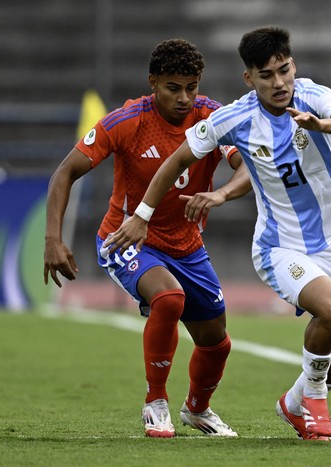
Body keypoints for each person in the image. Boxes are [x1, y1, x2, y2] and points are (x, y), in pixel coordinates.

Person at [104, 26, 331, 441]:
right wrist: (142, 214)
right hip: (280, 247)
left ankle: (294, 402)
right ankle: (314, 401)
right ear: (250, 79)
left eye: (284, 70)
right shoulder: (233, 118)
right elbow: (175, 161)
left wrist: (323, 125)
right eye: (267, 75)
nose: (279, 83)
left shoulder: (313, 96)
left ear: (293, 65)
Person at [43, 39, 251, 438]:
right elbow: (63, 174)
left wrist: (221, 193)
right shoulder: (126, 121)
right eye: (174, 87)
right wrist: (53, 238)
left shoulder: (212, 116)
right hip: (127, 240)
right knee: (169, 298)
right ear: (153, 83)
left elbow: (245, 168)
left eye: (192, 86)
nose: (185, 97)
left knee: (217, 342)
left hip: (187, 246)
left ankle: (198, 409)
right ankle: (155, 402)